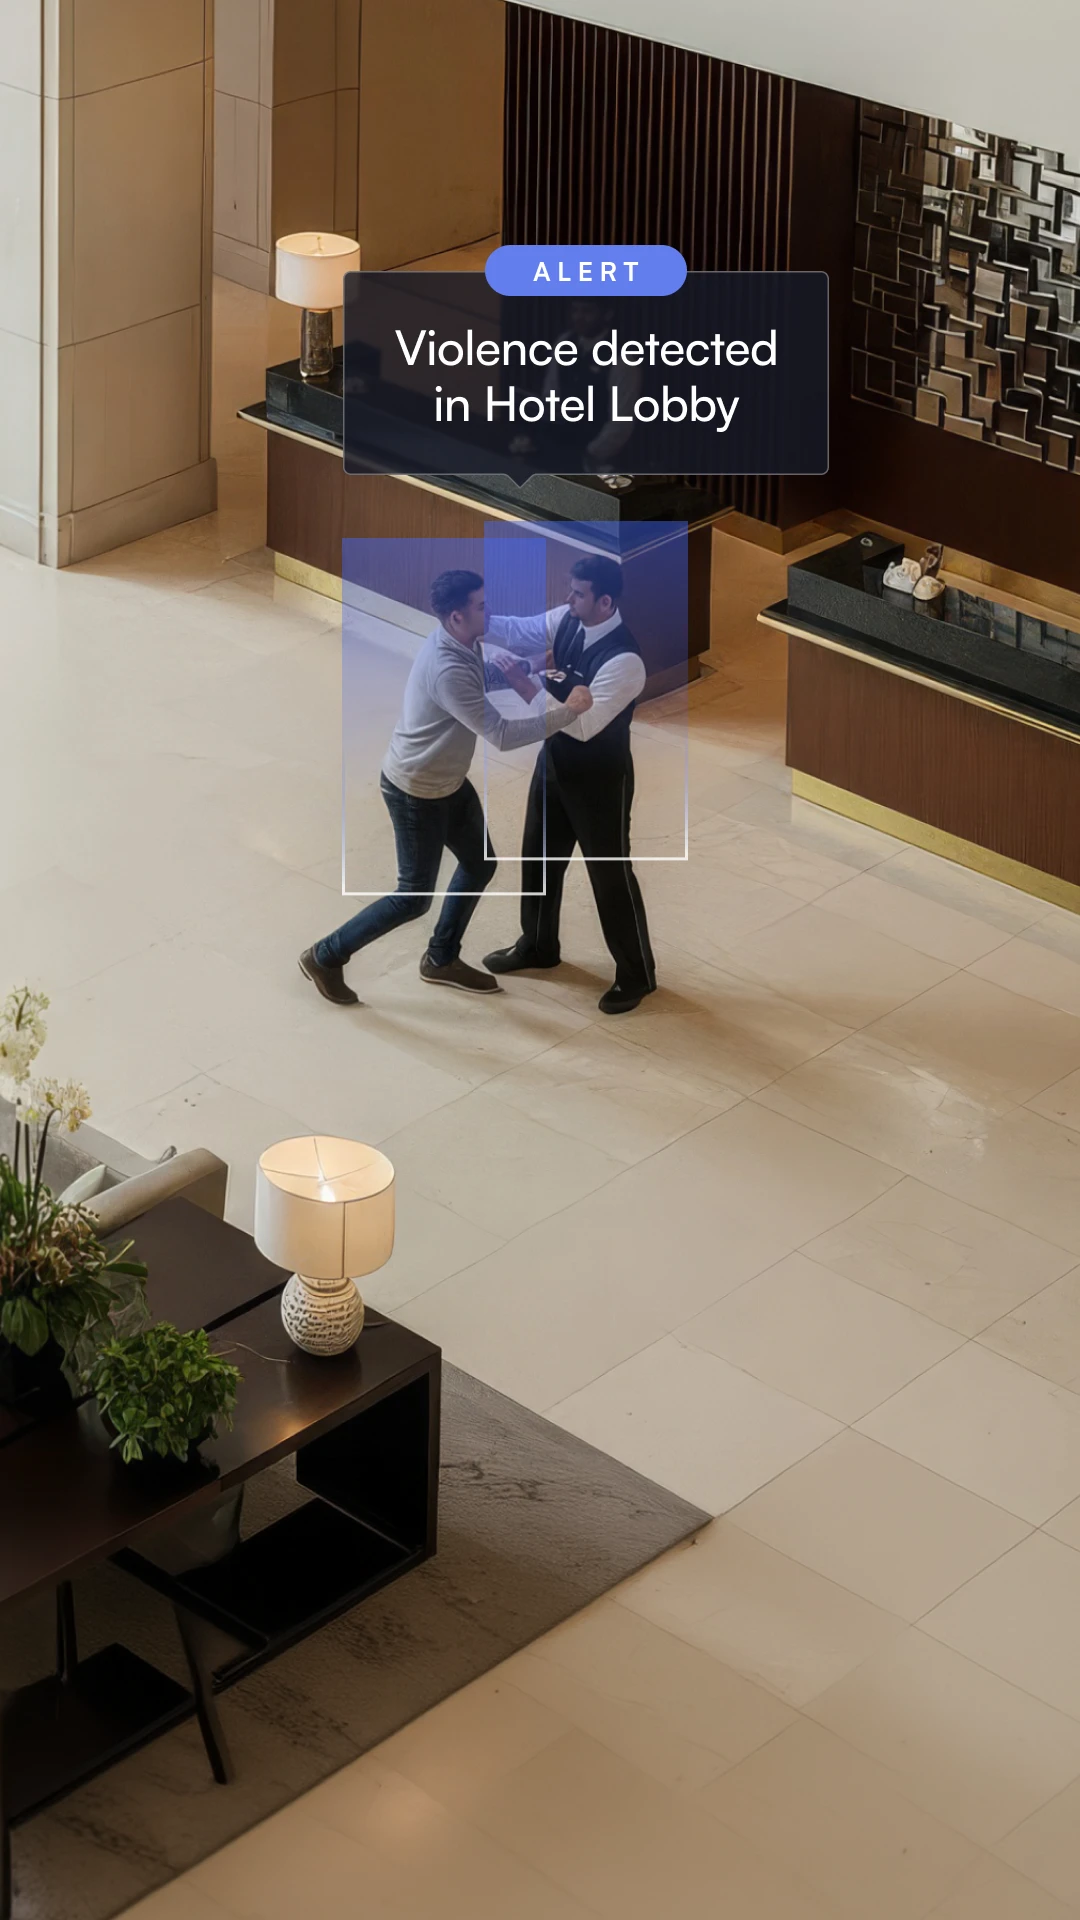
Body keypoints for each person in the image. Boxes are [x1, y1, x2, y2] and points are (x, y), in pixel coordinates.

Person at [300, 569, 593, 1006]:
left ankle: (440, 958)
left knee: (480, 863)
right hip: (416, 791)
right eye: (480, 605)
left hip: (447, 782)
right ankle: (325, 955)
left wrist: (531, 665)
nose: (488, 610)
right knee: (412, 898)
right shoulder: (446, 666)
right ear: (457, 616)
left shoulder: (462, 643)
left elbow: (478, 681)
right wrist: (566, 713)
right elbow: (502, 734)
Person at [482, 553, 656, 1014]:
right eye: (569, 590)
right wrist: (478, 619)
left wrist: (524, 685)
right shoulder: (568, 620)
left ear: (604, 601)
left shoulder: (626, 661)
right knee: (538, 859)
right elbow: (522, 630)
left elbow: (582, 727)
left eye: (576, 593)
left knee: (610, 878)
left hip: (600, 783)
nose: (567, 599)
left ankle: (637, 975)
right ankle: (538, 945)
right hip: (554, 765)